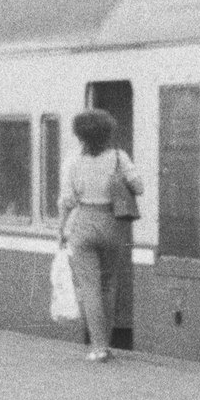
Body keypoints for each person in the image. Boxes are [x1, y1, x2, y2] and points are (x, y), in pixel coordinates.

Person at [56, 108, 143, 363]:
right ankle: (108, 342)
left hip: (83, 223)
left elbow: (67, 200)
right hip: (112, 224)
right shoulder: (118, 157)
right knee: (108, 284)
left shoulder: (73, 162)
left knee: (89, 287)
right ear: (107, 133)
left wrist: (61, 229)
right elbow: (139, 186)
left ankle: (99, 347)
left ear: (80, 135)